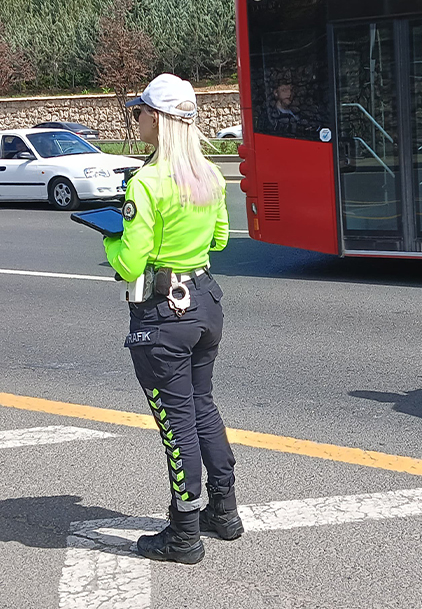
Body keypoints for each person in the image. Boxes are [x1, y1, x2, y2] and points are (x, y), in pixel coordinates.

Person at [106, 73, 242, 564]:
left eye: (139, 110)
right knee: (202, 405)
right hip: (205, 300)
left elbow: (128, 262)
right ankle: (224, 511)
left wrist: (109, 234)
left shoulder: (146, 183)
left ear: (158, 120)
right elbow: (222, 240)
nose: (136, 117)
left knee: (175, 423)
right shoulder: (210, 174)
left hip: (162, 316)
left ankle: (183, 533)